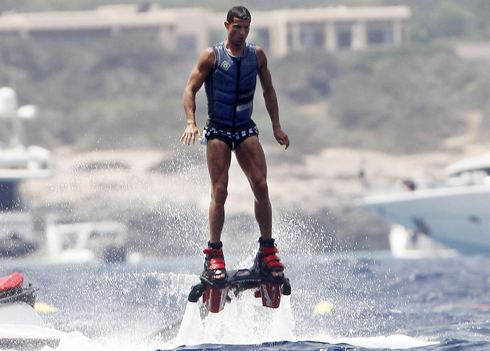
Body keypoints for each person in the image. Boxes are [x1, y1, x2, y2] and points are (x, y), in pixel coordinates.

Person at [181, 6, 290, 287]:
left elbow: (268, 90)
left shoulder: (257, 55)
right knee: (220, 189)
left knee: (261, 185)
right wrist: (191, 122)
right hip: (218, 128)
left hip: (244, 127)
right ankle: (214, 254)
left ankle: (267, 250)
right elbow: (190, 89)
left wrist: (276, 126)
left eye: (246, 28)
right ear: (227, 25)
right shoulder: (212, 55)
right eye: (236, 27)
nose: (241, 33)